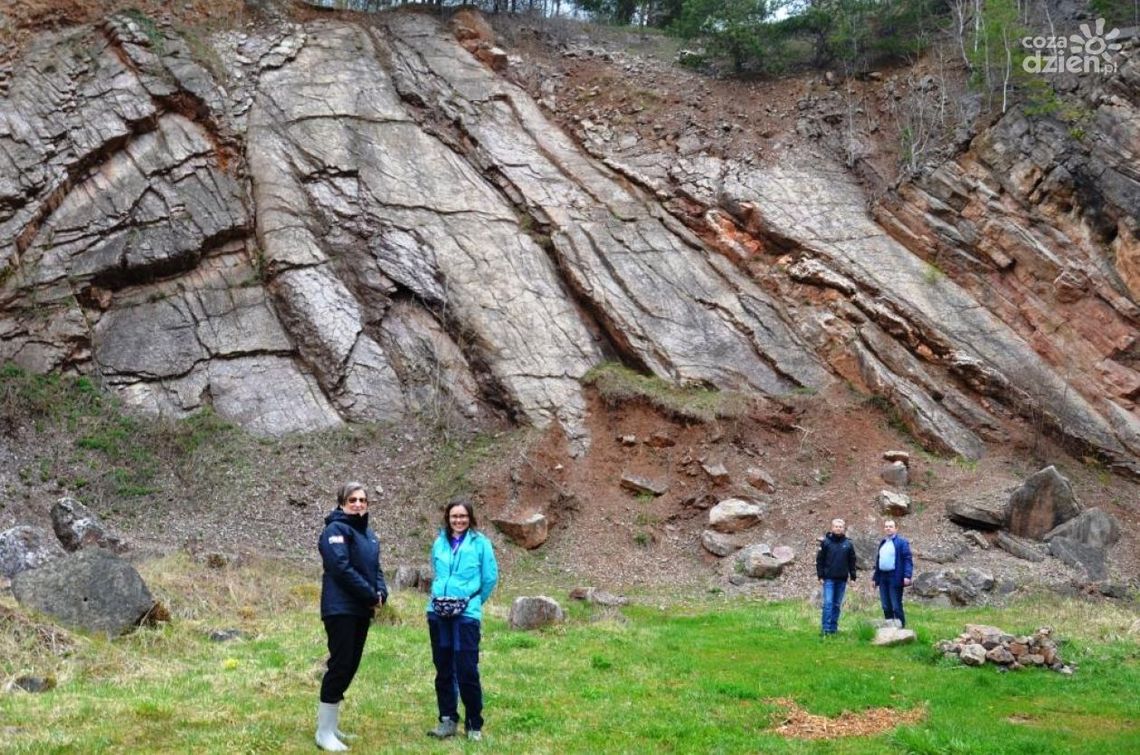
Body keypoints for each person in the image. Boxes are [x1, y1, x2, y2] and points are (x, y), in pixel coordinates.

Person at [316, 482, 388, 752]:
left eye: (362, 500)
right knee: (340, 664)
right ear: (341, 503)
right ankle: (323, 733)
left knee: (351, 665)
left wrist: (381, 591)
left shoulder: (368, 534)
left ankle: (332, 726)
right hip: (340, 608)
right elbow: (340, 568)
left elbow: (375, 568)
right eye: (352, 499)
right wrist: (370, 594)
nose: (358, 504)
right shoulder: (334, 530)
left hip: (361, 609)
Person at [426, 499, 499, 742]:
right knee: (443, 667)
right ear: (447, 518)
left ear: (470, 518)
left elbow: (489, 578)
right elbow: (437, 573)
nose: (458, 520)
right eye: (454, 516)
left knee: (467, 669)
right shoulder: (439, 542)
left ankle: (473, 724)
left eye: (463, 516)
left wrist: (473, 602)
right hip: (438, 613)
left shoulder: (481, 544)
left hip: (466, 615)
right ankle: (447, 719)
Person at [816, 518, 857, 635]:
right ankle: (825, 629)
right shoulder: (826, 543)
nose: (838, 528)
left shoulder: (848, 544)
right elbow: (820, 560)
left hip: (842, 579)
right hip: (828, 579)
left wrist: (853, 577)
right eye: (836, 526)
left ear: (844, 529)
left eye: (840, 527)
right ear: (832, 528)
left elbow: (852, 561)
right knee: (828, 604)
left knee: (837, 605)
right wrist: (820, 576)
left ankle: (833, 629)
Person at [872, 519, 913, 628]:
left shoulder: (902, 542)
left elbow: (907, 559)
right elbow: (879, 561)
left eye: (890, 526)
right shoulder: (883, 543)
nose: (888, 528)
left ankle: (901, 629)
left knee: (896, 606)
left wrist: (907, 575)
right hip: (883, 577)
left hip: (895, 576)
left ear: (896, 528)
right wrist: (875, 578)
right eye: (886, 526)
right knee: (885, 605)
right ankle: (889, 628)